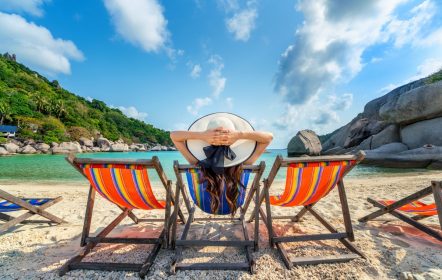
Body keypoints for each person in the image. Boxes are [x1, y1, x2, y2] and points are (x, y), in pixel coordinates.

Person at [170, 113, 273, 215]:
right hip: (234, 204)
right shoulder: (244, 163)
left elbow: (173, 136)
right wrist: (239, 135)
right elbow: (268, 138)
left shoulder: (196, 163)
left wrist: (202, 135)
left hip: (205, 206)